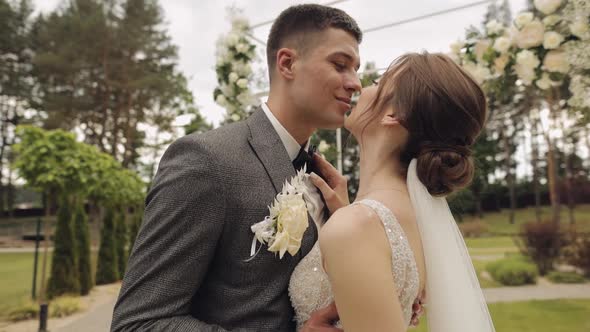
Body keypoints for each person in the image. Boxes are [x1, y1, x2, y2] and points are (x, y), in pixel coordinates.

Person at [110, 4, 362, 331]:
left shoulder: (324, 180)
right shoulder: (206, 160)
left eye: (356, 69)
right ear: (287, 63)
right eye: (340, 65)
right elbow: (138, 323)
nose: (355, 83)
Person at [291, 52, 496, 331]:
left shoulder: (356, 226)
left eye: (378, 81)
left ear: (393, 115)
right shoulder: (416, 219)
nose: (362, 87)